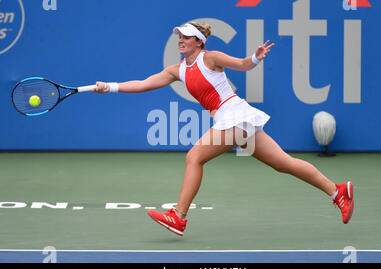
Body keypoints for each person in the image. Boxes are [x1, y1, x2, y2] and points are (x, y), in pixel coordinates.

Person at [93, 22, 354, 236]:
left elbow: (242, 64)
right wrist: (109, 86)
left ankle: (179, 217)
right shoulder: (178, 70)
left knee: (194, 157)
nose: (180, 40)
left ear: (198, 41)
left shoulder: (211, 58)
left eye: (185, 37)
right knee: (283, 163)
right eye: (179, 37)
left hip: (235, 116)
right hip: (232, 119)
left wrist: (255, 57)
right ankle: (338, 191)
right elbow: (142, 84)